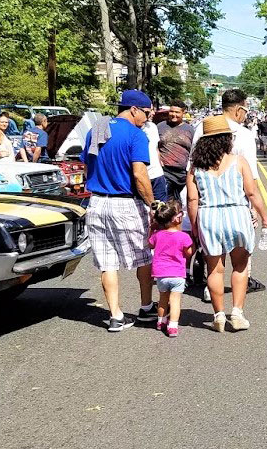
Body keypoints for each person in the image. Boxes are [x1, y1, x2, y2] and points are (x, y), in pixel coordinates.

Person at [187, 115, 267, 333]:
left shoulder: (195, 167)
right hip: (237, 216)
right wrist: (265, 218)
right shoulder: (238, 161)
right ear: (227, 139)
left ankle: (218, 315)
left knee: (214, 270)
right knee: (240, 266)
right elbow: (252, 193)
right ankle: (237, 312)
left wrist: (196, 226)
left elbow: (192, 200)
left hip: (209, 218)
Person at [82, 89, 158, 333]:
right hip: (125, 202)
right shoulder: (136, 135)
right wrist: (153, 203)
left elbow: (88, 164)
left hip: (96, 203)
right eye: (146, 113)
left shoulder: (96, 130)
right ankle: (146, 307)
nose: (147, 118)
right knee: (143, 257)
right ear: (134, 109)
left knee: (108, 262)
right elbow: (139, 174)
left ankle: (115, 316)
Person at [193, 89, 265, 293]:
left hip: (207, 201)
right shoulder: (243, 134)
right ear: (239, 109)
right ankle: (240, 294)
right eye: (245, 110)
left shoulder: (202, 127)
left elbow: (193, 167)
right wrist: (255, 210)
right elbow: (251, 177)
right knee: (240, 257)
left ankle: (210, 290)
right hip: (236, 202)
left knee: (214, 256)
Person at [148, 200, 193, 338]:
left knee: (162, 299)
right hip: (177, 274)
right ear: (177, 218)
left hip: (161, 274)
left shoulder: (157, 235)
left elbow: (150, 245)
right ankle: (172, 326)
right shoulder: (184, 236)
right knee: (175, 300)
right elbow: (189, 252)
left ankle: (161, 322)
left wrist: (152, 228)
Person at [158, 101, 193, 201]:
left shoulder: (190, 130)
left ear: (183, 113)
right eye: (171, 111)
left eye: (177, 112)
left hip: (183, 174)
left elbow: (193, 152)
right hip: (165, 172)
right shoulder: (160, 127)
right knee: (166, 202)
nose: (174, 114)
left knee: (180, 203)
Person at [141, 115, 168, 202]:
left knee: (161, 210)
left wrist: (160, 165)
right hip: (141, 176)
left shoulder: (152, 126)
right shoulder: (131, 129)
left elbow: (156, 148)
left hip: (157, 175)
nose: (152, 113)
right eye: (148, 111)